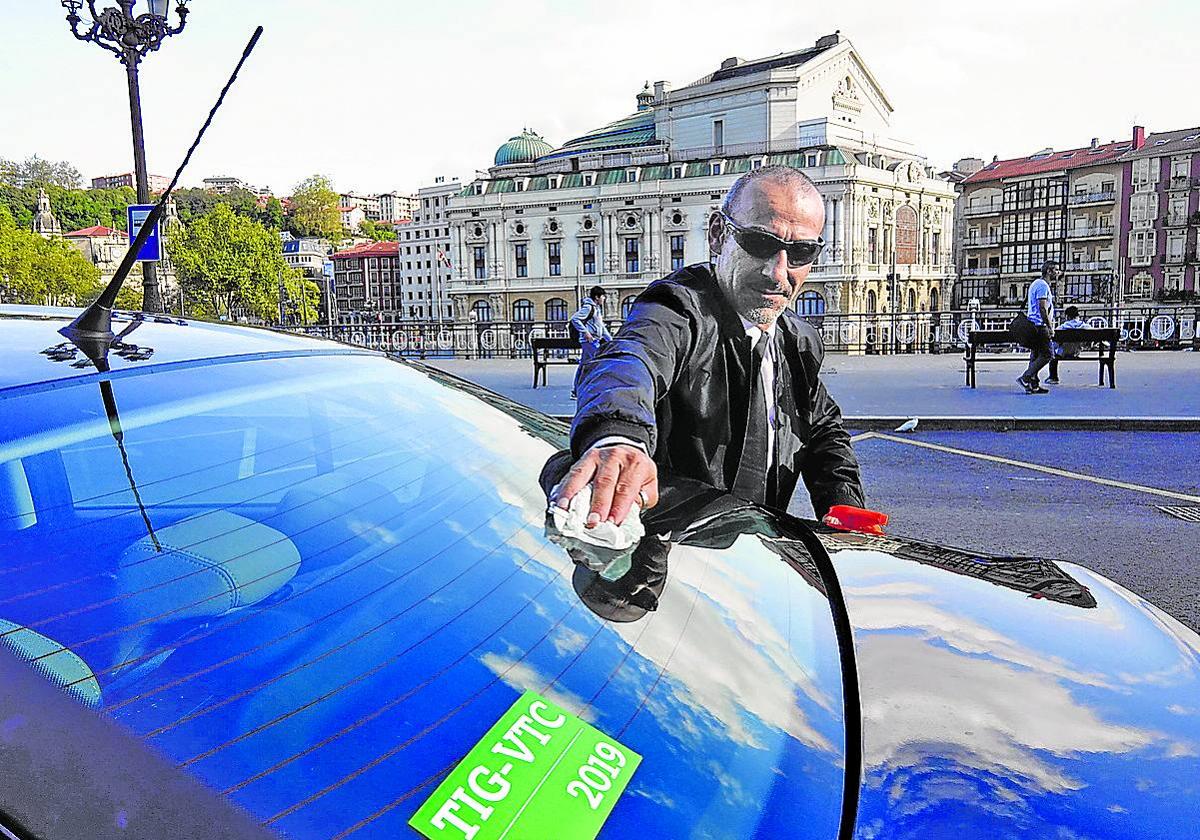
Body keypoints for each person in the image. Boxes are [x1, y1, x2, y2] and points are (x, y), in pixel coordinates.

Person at [551, 166, 864, 528]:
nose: (778, 273)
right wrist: (620, 437)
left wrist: (844, 503)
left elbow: (822, 426)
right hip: (673, 557)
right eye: (760, 244)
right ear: (718, 235)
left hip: (756, 559)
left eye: (801, 252)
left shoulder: (798, 339)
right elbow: (631, 361)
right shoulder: (679, 309)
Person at [1016, 260, 1058, 394]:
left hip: (1033, 324)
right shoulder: (1042, 286)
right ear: (1049, 271)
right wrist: (1050, 326)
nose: (1058, 273)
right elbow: (1042, 308)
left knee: (1035, 354)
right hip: (1039, 325)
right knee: (1048, 354)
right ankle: (1026, 377)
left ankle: (1033, 384)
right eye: (1056, 270)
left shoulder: (1036, 284)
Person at [568, 285, 612, 400]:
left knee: (583, 366)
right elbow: (575, 319)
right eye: (603, 296)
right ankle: (598, 389)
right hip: (589, 341)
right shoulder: (588, 307)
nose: (604, 299)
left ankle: (576, 391)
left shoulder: (596, 309)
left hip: (593, 340)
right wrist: (586, 332)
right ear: (597, 297)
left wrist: (611, 340)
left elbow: (601, 327)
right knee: (598, 363)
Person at [1047, 305, 1087, 384]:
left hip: (1063, 352)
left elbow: (1054, 344)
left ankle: (1053, 377)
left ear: (1067, 317)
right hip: (1076, 351)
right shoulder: (1085, 326)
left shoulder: (1062, 328)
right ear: (1077, 316)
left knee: (1053, 356)